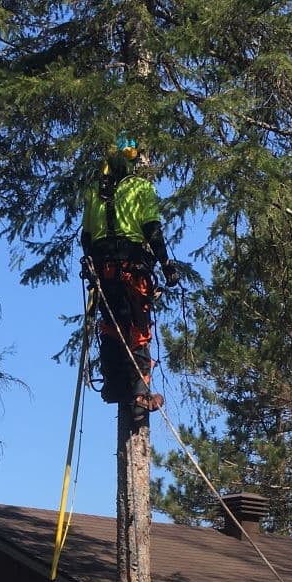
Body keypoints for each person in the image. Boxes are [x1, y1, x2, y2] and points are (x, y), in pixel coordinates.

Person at [81, 134, 180, 411]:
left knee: (112, 328)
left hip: (103, 272)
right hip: (131, 270)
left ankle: (114, 386)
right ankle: (139, 395)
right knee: (137, 327)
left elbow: (86, 238)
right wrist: (166, 264)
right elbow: (152, 229)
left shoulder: (93, 192)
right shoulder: (140, 188)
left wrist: (92, 270)